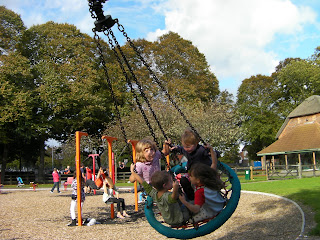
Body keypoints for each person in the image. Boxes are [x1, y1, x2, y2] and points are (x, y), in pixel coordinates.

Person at [163, 128, 218, 200]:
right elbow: (178, 148)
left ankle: (206, 197)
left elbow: (214, 154)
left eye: (189, 146)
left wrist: (211, 151)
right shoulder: (184, 149)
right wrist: (170, 145)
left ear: (196, 143)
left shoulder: (201, 150)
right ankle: (191, 197)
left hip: (203, 173)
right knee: (183, 180)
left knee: (205, 186)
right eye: (185, 146)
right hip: (192, 173)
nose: (187, 149)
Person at [128, 138, 162, 202]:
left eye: (152, 149)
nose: (150, 152)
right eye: (146, 151)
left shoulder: (156, 155)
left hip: (159, 181)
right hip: (148, 185)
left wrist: (166, 144)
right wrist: (133, 171)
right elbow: (131, 180)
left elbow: (165, 153)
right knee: (150, 202)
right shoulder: (140, 165)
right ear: (141, 154)